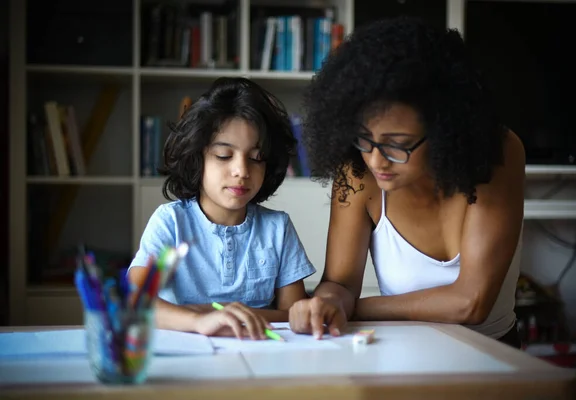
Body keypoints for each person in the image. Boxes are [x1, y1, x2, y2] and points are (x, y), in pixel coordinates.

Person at [288, 17, 524, 348]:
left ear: (445, 131)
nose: (376, 160)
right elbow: (339, 283)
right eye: (364, 139)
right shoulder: (357, 171)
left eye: (397, 144)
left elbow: (471, 302)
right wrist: (327, 301)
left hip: (495, 359)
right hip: (400, 353)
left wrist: (354, 308)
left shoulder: (497, 152)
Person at [129, 77, 316, 340]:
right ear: (198, 158)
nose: (241, 171)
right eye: (224, 156)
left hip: (261, 353)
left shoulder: (278, 228)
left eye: (256, 158)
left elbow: (293, 314)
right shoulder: (171, 222)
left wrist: (229, 313)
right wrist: (199, 320)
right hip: (188, 354)